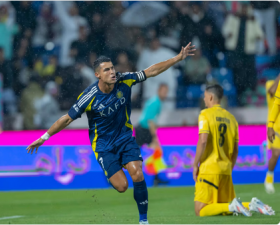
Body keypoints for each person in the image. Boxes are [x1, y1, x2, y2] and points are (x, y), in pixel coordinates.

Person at [27, 42, 197, 224]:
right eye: (107, 70)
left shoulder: (125, 80)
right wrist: (44, 137)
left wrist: (178, 58)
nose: (112, 72)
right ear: (97, 74)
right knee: (122, 186)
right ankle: (117, 168)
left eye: (112, 68)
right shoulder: (89, 96)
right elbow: (67, 118)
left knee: (138, 174)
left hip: (125, 139)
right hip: (104, 146)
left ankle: (144, 221)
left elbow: (151, 71)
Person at [193, 84, 274, 217]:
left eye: (205, 96)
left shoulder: (205, 114)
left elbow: (203, 140)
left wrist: (195, 164)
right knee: (223, 210)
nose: (204, 99)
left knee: (200, 210)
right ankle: (251, 205)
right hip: (226, 170)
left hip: (209, 170)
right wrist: (229, 168)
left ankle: (234, 205)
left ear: (211, 97)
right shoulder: (232, 119)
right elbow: (235, 150)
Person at [136, 83, 169, 186]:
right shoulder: (156, 102)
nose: (165, 94)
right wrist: (154, 137)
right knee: (153, 151)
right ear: (159, 91)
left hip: (142, 128)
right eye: (164, 92)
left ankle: (156, 178)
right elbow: (150, 121)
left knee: (151, 152)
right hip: (144, 130)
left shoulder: (154, 101)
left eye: (166, 92)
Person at [266, 73, 280, 194]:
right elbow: (271, 91)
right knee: (276, 154)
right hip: (276, 127)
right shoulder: (270, 84)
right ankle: (269, 178)